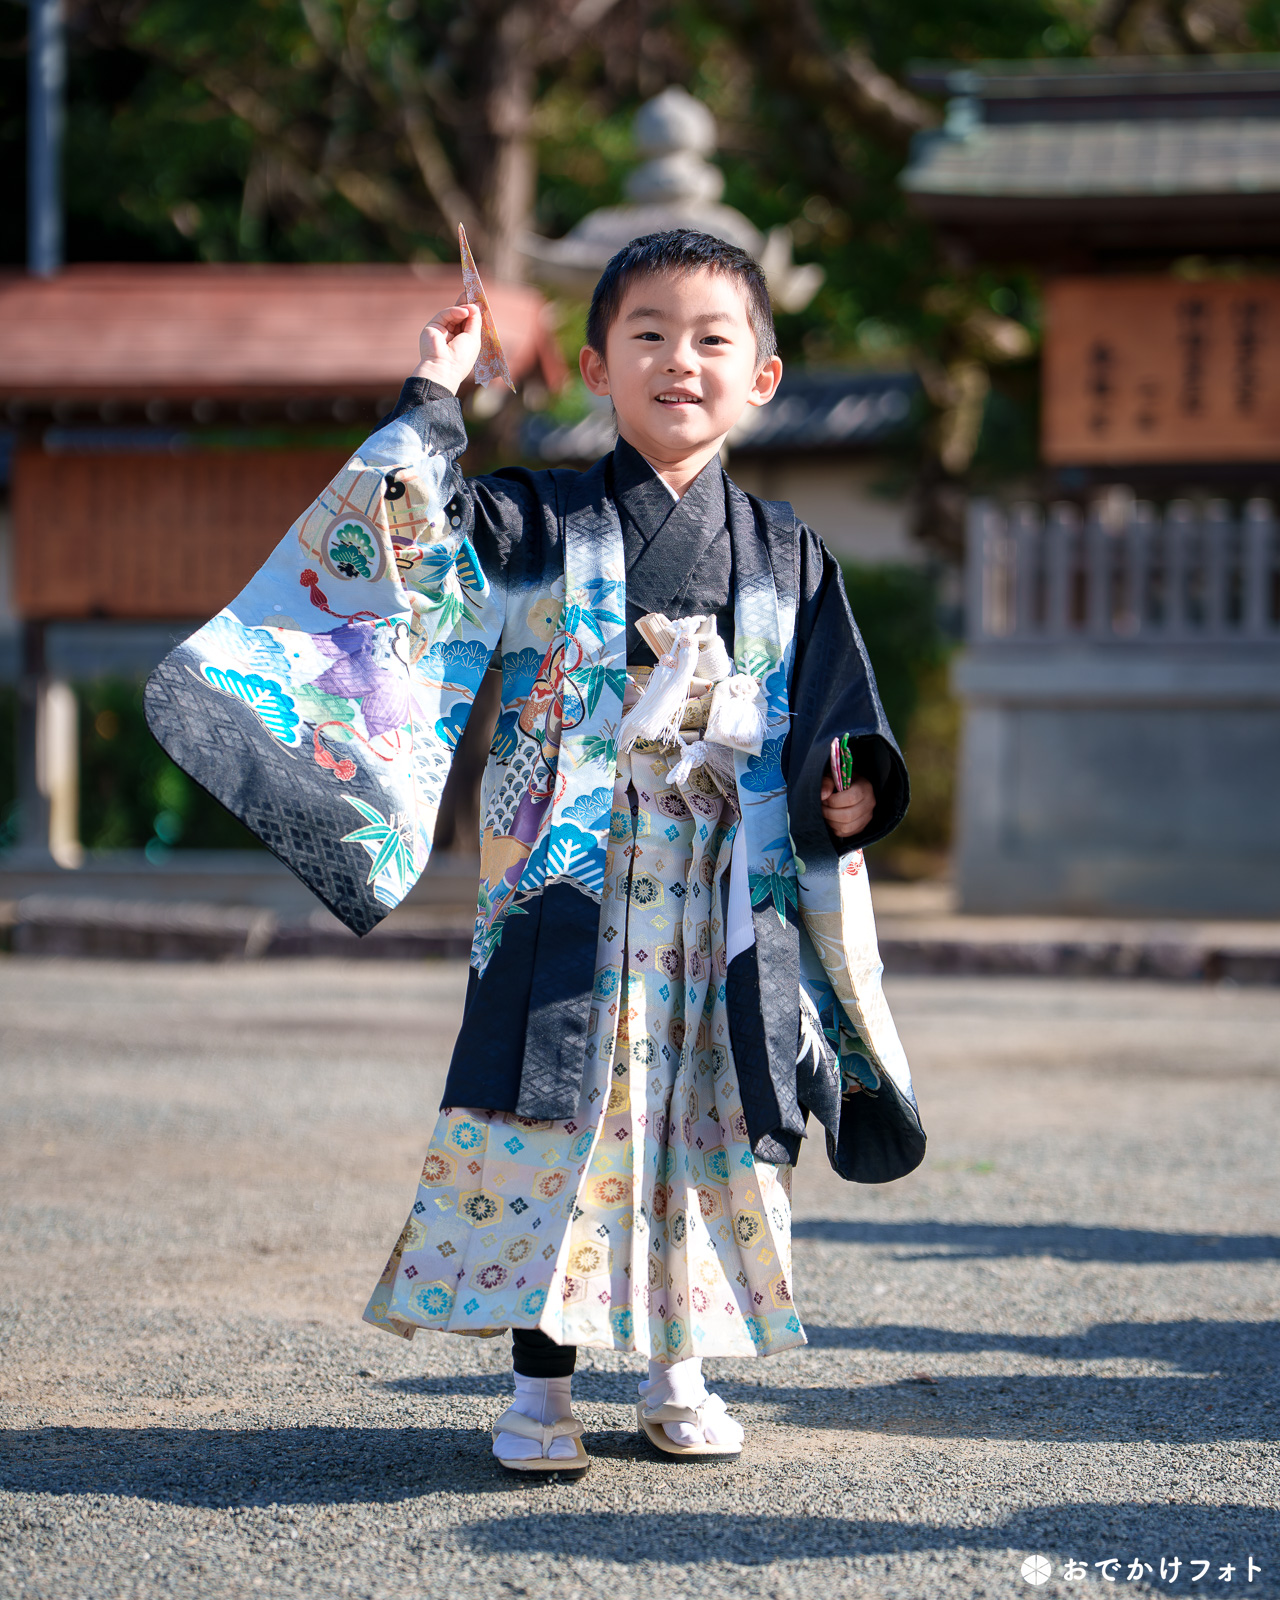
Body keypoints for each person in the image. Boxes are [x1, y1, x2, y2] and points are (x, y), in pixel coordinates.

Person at [146, 228, 925, 1473]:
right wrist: (431, 397)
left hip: (725, 896)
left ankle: (679, 1372)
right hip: (570, 884)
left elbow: (838, 715)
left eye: (713, 339)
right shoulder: (535, 518)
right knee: (559, 1121)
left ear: (762, 378)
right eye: (648, 337)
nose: (681, 360)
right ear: (592, 367)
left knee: (708, 1115)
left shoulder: (786, 552)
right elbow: (411, 552)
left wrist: (849, 785)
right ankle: (537, 1391)